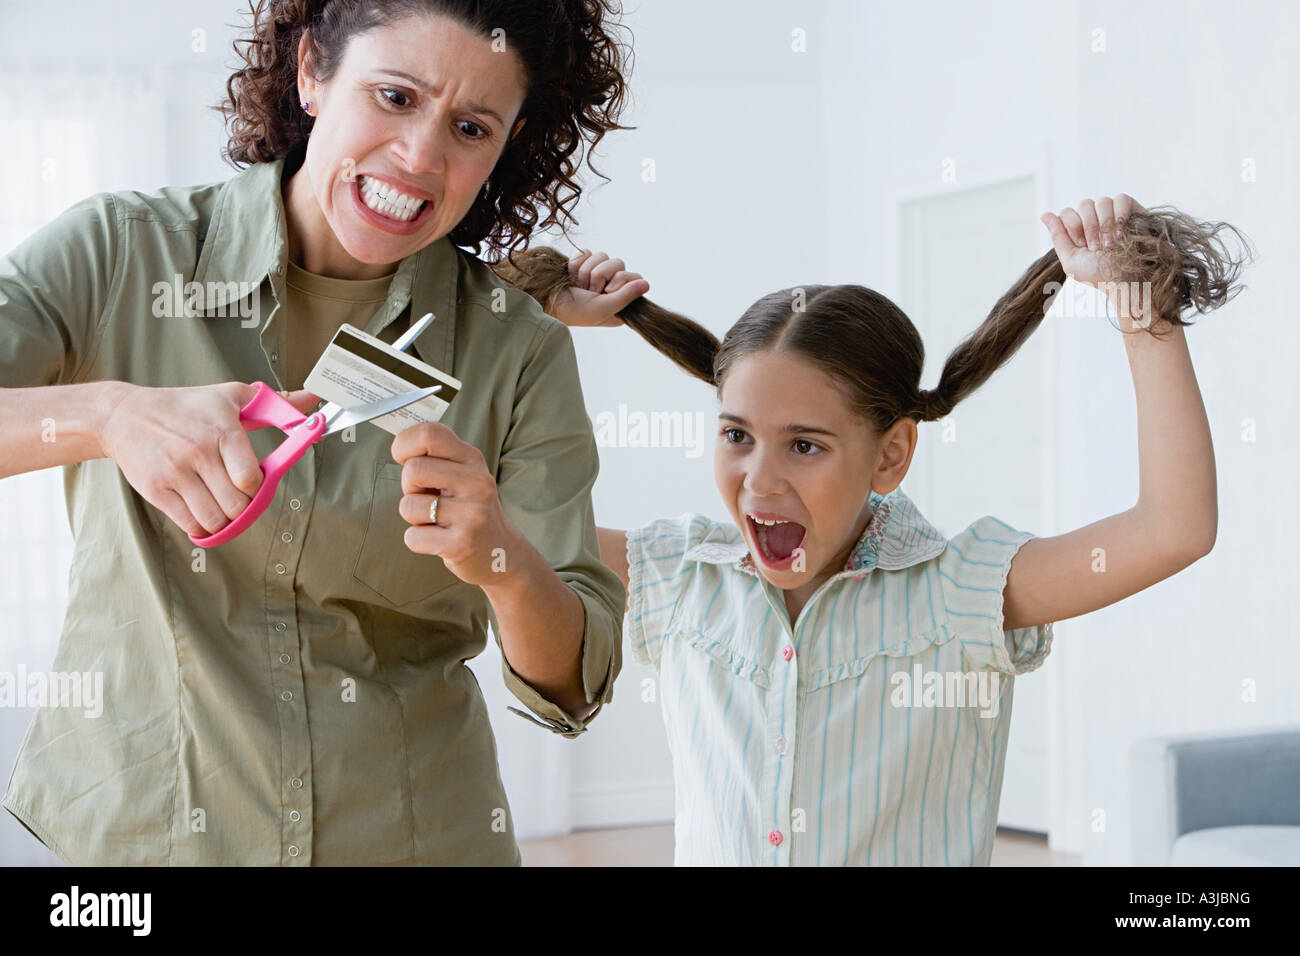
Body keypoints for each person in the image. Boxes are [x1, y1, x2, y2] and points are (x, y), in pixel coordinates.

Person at [0, 0, 648, 865]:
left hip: (416, 838)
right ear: (312, 72)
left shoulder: (515, 349)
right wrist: (107, 415)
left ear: (507, 143)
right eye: (393, 96)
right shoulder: (124, 253)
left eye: (469, 126)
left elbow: (573, 678)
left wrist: (501, 555)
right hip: (150, 840)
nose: (420, 157)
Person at [538, 195, 1249, 864]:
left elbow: (1172, 528)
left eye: (805, 445)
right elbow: (453, 500)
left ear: (891, 455)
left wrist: (1142, 315)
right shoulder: (681, 576)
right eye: (736, 435)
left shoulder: (959, 593)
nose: (760, 480)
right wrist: (524, 318)